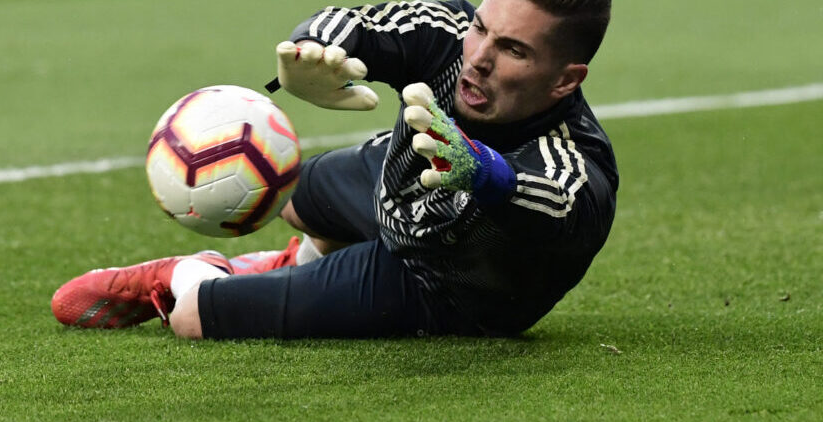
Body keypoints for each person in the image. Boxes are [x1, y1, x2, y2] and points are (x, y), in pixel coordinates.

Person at [51, 0, 618, 340]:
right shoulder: (453, 35)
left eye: (514, 50)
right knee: (293, 196)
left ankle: (184, 275)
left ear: (567, 79)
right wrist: (308, 55)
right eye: (482, 28)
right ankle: (288, 263)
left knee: (195, 319)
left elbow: (555, 197)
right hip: (389, 187)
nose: (479, 56)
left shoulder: (575, 158)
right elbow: (352, 24)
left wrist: (478, 169)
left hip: (438, 287)